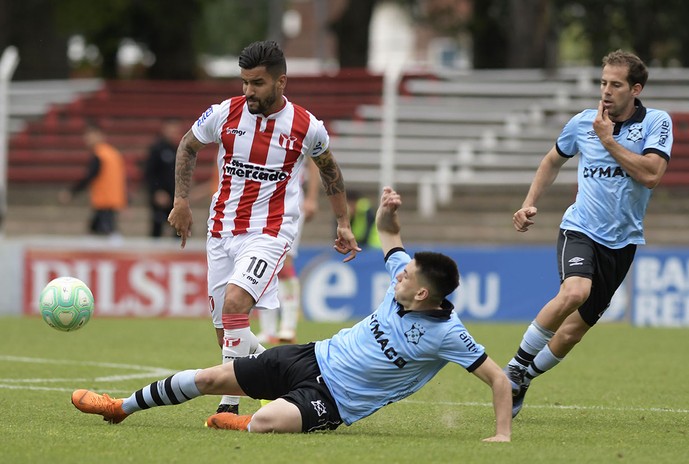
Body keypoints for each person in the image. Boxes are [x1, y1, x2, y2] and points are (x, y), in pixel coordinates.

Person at [71, 186, 512, 442]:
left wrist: (502, 435)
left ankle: (247, 418)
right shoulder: (408, 279)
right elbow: (391, 235)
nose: (397, 275)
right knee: (208, 378)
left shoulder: (448, 334)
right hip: (310, 356)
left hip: (334, 402)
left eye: (405, 277)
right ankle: (120, 407)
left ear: (421, 293)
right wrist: (387, 212)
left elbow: (498, 379)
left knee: (264, 423)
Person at [166, 40, 360, 416]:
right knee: (227, 333)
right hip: (221, 231)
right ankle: (286, 374)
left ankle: (228, 407)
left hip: (270, 232)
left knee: (238, 304)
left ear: (281, 82)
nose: (247, 91)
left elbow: (330, 171)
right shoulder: (224, 113)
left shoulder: (307, 126)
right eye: (243, 82)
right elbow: (188, 147)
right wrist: (181, 200)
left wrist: (342, 222)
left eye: (256, 83)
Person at [505, 50, 673, 418]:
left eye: (616, 84)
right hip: (580, 228)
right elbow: (552, 159)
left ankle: (525, 378)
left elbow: (651, 174)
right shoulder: (583, 123)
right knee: (574, 291)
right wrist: (529, 202)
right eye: (603, 83)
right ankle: (515, 366)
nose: (606, 91)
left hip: (624, 241)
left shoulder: (657, 122)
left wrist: (609, 141)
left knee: (573, 332)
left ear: (636, 89)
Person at [257, 159, 320, 344]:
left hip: (289, 199)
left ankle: (288, 326)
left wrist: (311, 198)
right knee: (261, 260)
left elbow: (314, 160)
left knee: (285, 261)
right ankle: (268, 329)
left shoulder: (300, 130)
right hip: (261, 198)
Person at [58, 122, 127, 236]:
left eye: (89, 135)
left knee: (108, 233)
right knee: (96, 230)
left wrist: (72, 192)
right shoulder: (112, 153)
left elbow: (89, 177)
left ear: (99, 135)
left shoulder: (100, 155)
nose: (87, 139)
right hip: (111, 200)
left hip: (104, 200)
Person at [143, 119, 181, 238]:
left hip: (175, 197)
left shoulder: (178, 149)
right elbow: (149, 173)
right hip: (161, 196)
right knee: (158, 228)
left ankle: (178, 255)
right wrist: (156, 192)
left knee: (180, 229)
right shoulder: (157, 149)